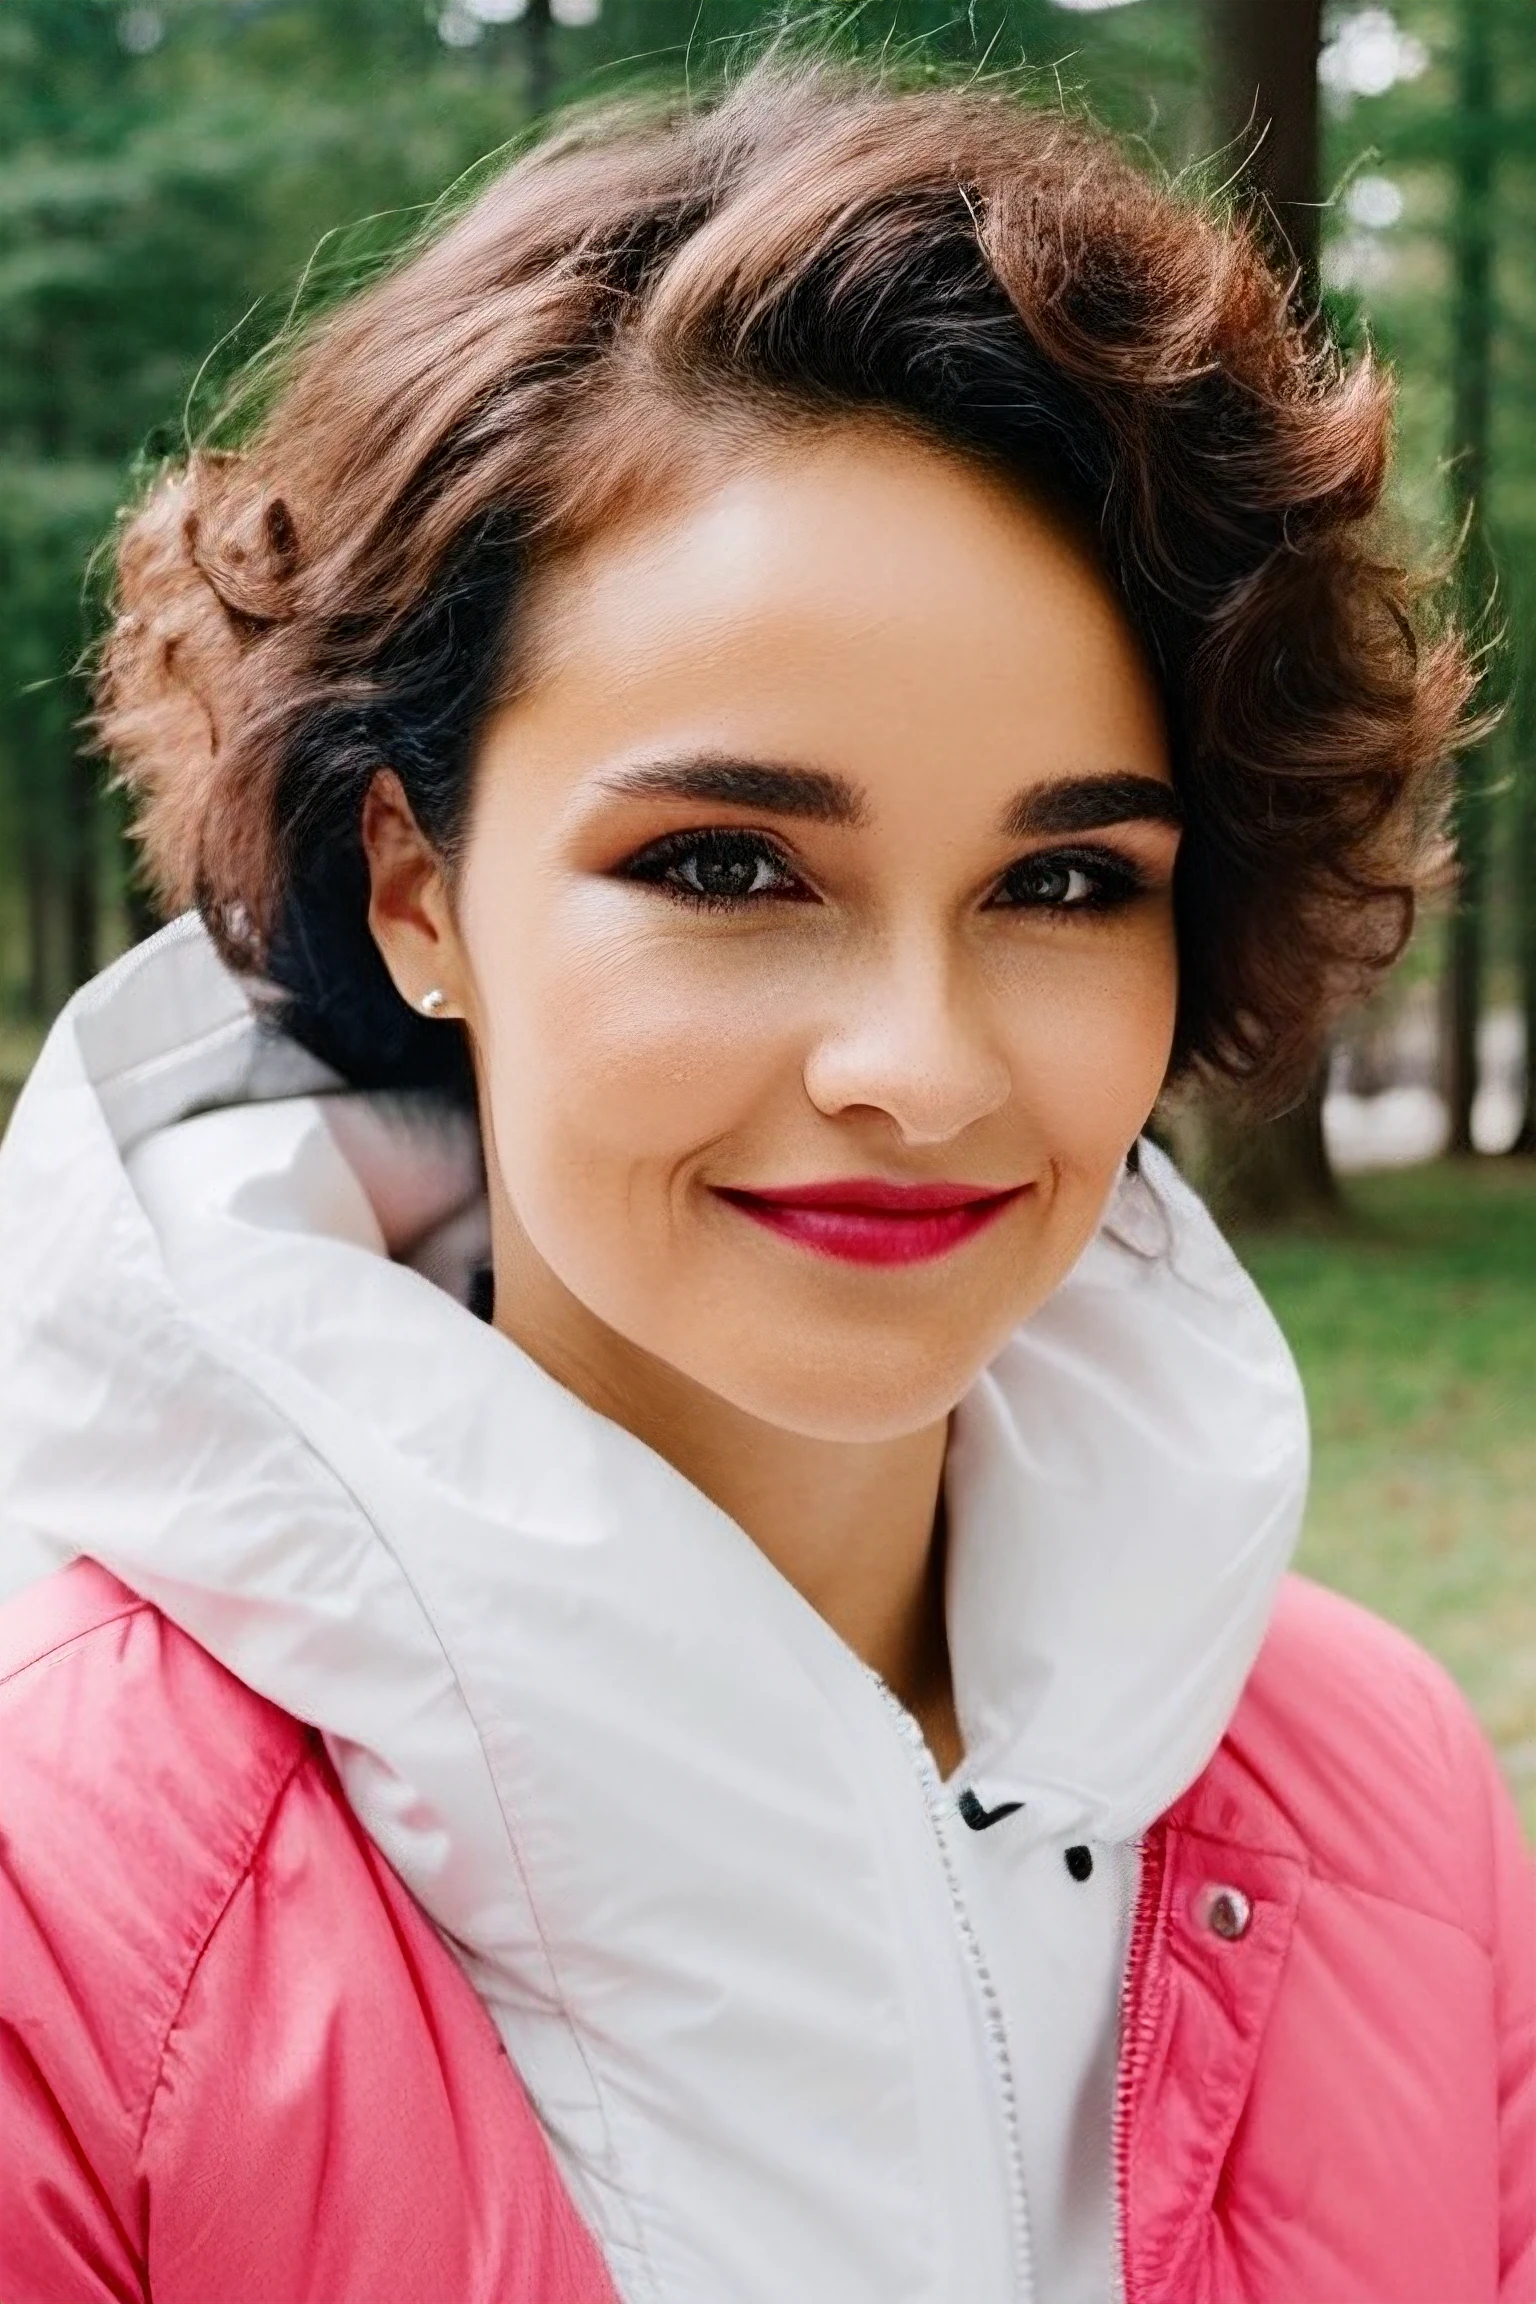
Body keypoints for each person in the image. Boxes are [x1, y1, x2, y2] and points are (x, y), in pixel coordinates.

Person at [1, 55, 1530, 2304]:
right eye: (728, 862)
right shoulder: (52, 1878)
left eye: (1069, 879)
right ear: (413, 882)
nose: (916, 1066)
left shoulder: (1376, 1779)